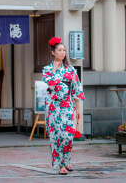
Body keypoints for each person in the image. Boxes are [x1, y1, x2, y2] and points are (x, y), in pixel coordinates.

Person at [42, 37, 85, 175]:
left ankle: (67, 160)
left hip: (67, 105)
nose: (63, 52)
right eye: (59, 50)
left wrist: (77, 108)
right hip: (53, 106)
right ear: (53, 52)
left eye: (64, 50)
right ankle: (60, 165)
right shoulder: (47, 69)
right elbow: (52, 84)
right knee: (56, 136)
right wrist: (54, 69)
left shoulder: (71, 69)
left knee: (68, 135)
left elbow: (76, 89)